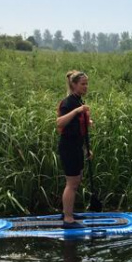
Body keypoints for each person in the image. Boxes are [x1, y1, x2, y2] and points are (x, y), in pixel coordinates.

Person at [56, 70, 92, 228]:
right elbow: (60, 122)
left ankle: (67, 212)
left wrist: (86, 148)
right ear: (74, 85)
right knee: (72, 183)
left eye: (86, 84)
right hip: (68, 147)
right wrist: (77, 112)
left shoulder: (79, 101)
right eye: (83, 84)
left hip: (76, 146)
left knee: (76, 182)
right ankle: (68, 219)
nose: (86, 87)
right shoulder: (69, 102)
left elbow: (79, 128)